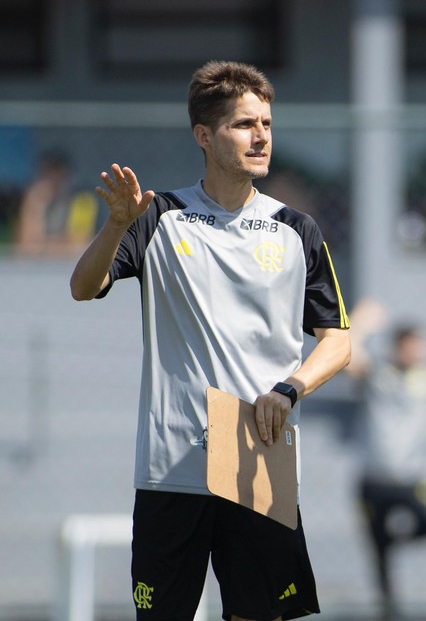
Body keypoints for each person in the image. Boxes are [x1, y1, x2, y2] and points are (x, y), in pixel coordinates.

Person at [70, 60, 352, 621]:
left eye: (267, 124)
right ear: (204, 135)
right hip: (171, 464)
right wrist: (117, 225)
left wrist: (289, 390)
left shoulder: (297, 229)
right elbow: (84, 286)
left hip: (258, 457)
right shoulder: (159, 218)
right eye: (245, 124)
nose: (261, 136)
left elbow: (338, 341)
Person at [343, 298, 426, 620]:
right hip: (374, 478)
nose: (417, 352)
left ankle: (391, 543)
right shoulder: (378, 374)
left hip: (414, 479)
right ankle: (388, 608)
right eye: (411, 346)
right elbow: (346, 355)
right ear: (397, 348)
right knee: (378, 552)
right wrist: (360, 323)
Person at [15, 151, 98, 257]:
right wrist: (34, 206)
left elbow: (78, 244)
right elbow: (25, 247)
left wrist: (40, 245)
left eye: (56, 172)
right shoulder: (35, 200)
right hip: (37, 266)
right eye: (45, 174)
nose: (51, 179)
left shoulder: (82, 200)